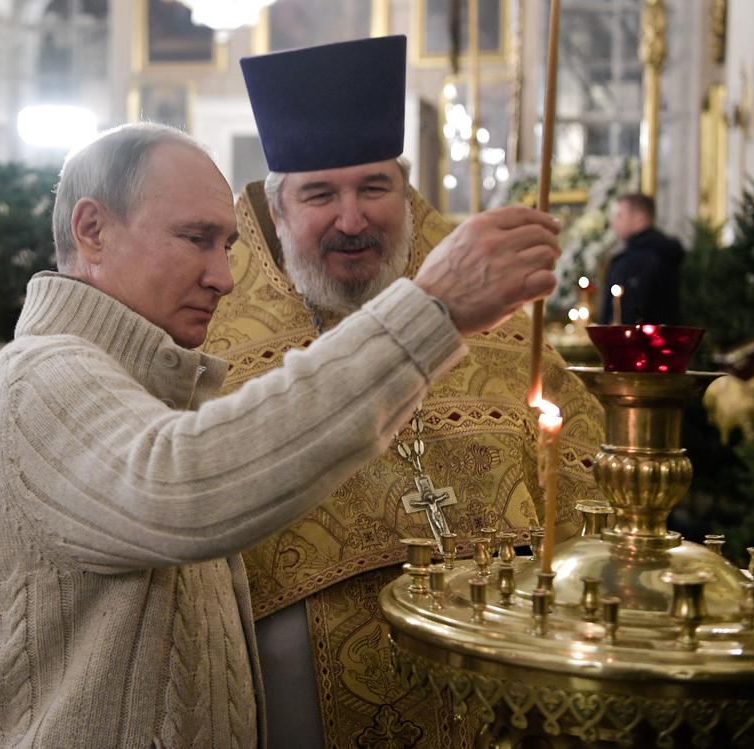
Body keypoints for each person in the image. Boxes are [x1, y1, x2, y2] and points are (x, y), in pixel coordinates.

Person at [0, 121, 564, 747]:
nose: (224, 276)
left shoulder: (130, 382)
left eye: (227, 245)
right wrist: (430, 310)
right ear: (92, 230)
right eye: (196, 240)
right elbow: (184, 488)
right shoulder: (37, 377)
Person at [199, 36, 605, 746]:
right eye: (321, 194)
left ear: (406, 189)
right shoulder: (215, 331)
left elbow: (582, 472)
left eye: (374, 188)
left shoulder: (490, 298)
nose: (352, 220)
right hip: (297, 689)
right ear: (278, 205)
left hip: (494, 675)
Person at [600, 192, 684, 325]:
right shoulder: (665, 253)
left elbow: (629, 314)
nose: (613, 222)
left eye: (619, 215)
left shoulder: (636, 262)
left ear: (640, 218)